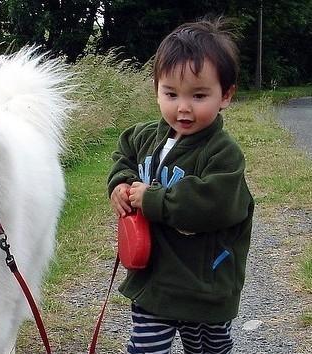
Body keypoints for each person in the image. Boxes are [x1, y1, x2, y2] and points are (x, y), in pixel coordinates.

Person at [107, 18, 254, 354]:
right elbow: (123, 156)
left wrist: (153, 199)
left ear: (226, 95)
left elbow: (213, 204)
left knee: (208, 348)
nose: (183, 107)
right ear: (156, 88)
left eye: (199, 95)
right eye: (170, 93)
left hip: (203, 286)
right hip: (153, 280)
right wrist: (121, 183)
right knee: (144, 348)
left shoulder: (223, 153)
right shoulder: (143, 136)